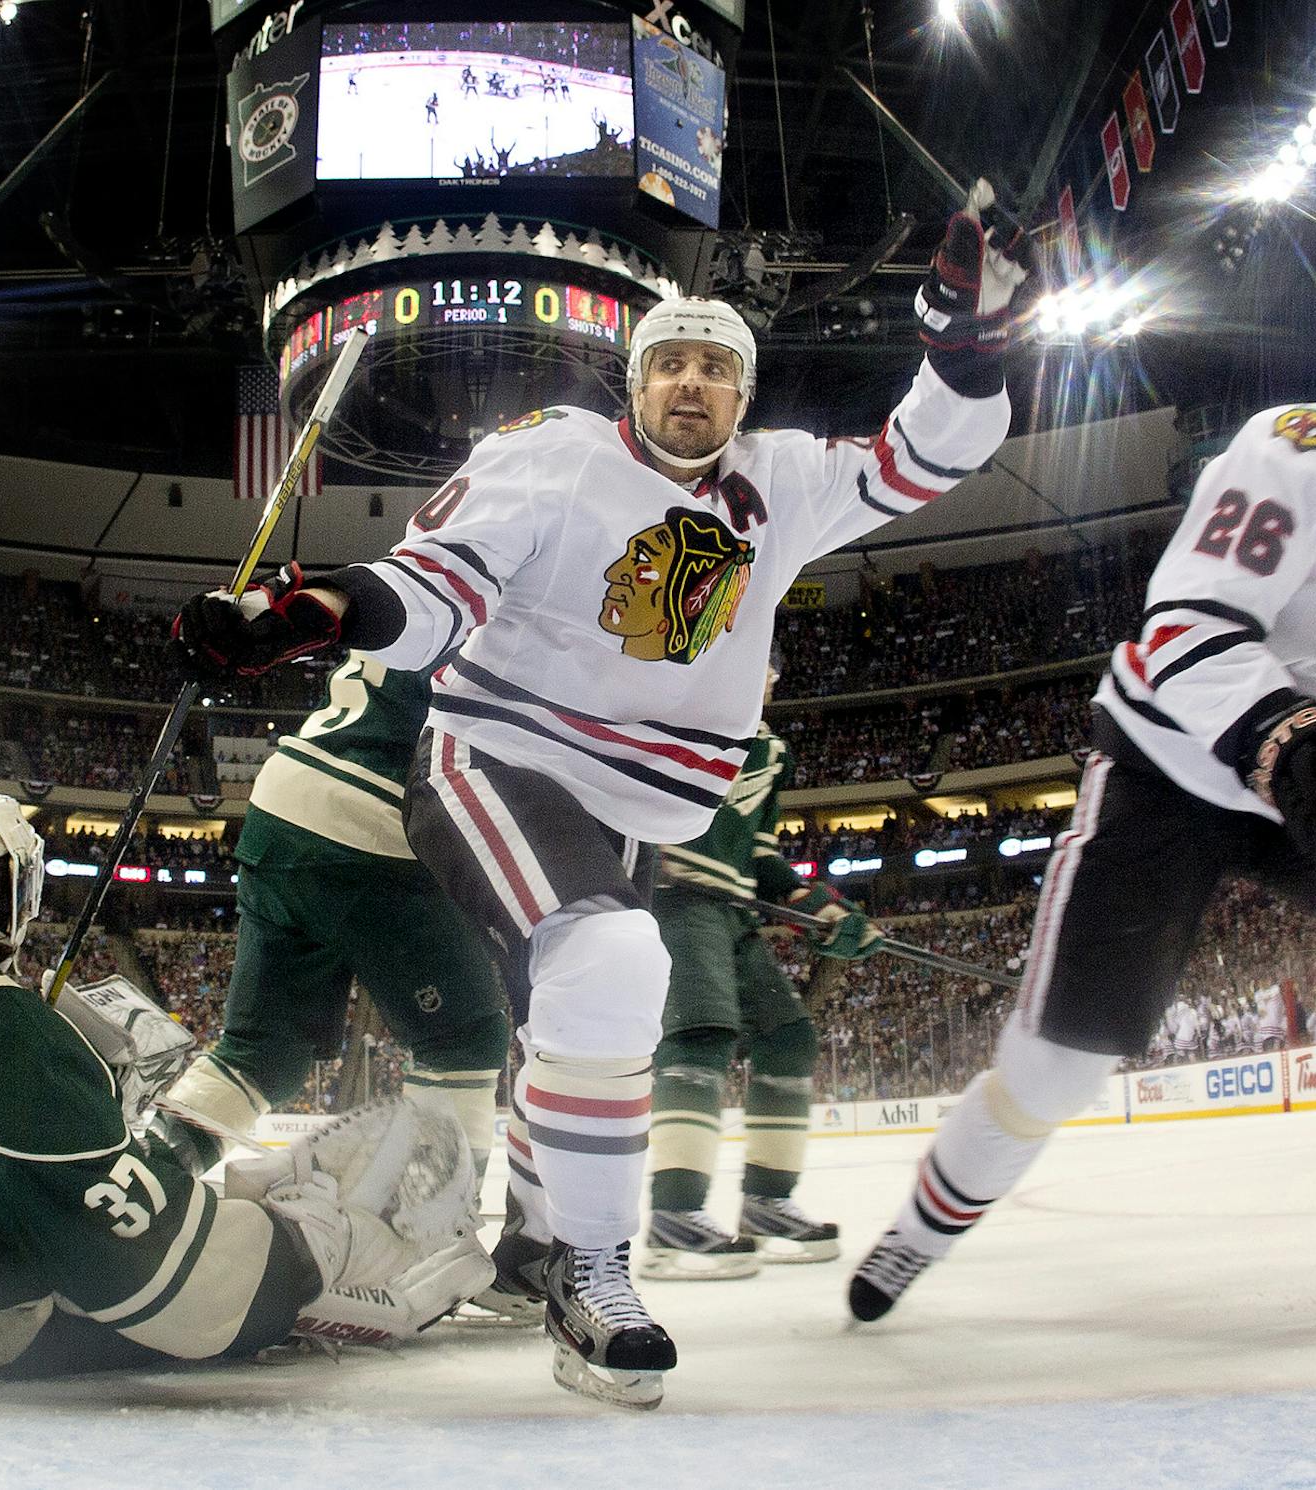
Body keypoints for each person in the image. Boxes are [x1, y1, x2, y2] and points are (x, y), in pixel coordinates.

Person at [175, 182, 1026, 1406]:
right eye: (669, 363)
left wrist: (964, 340)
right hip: (499, 756)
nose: (691, 385)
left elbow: (926, 454)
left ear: (743, 393)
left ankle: (531, 1242)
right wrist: (310, 611)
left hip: (633, 805)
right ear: (633, 383)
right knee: (615, 956)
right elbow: (433, 587)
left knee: (570, 1016)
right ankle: (593, 1266)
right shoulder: (550, 456)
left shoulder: (782, 481)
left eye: (714, 370)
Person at [849, 297, 1316, 1322]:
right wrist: (1284, 734)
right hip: (1176, 766)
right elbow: (1186, 626)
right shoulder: (1298, 449)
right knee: (1056, 1066)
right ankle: (918, 1231)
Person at [0, 769, 489, 1378]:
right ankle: (322, 1244)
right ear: (10, 894)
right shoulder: (6, 1054)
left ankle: (216, 1197)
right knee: (225, 1256)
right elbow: (173, 1291)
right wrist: (305, 1249)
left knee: (96, 1194)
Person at [150, 653, 527, 1315]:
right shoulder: (507, 581)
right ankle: (434, 1240)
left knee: (261, 1055)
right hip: (377, 812)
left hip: (284, 800)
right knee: (463, 1041)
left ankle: (143, 1181)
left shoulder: (420, 569)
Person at [639, 707, 880, 1281]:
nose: (766, 673)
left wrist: (820, 909)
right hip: (674, 894)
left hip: (730, 906)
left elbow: (762, 857)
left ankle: (767, 1201)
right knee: (700, 1035)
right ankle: (674, 1213)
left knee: (789, 1039)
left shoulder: (771, 750)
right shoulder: (683, 702)